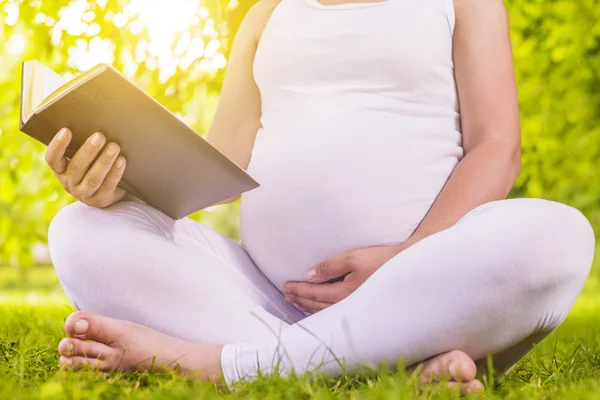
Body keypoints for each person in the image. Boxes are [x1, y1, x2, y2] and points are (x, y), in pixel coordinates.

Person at [46, 0, 594, 395]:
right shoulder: (265, 12)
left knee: (559, 237)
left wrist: (406, 257)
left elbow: (497, 146)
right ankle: (379, 373)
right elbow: (220, 162)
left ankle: (220, 364)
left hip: (422, 286)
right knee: (81, 229)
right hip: (267, 298)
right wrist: (114, 183)